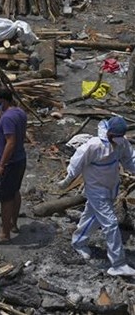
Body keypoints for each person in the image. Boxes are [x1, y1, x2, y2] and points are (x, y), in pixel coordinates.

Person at [57, 117, 135, 276]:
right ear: (109, 133)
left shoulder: (121, 143)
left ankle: (79, 242)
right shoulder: (93, 146)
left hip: (111, 187)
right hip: (96, 190)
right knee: (111, 223)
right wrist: (67, 180)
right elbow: (76, 163)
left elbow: (130, 160)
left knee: (93, 216)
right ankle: (118, 263)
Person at [0, 85, 27, 245]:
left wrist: (1, 165)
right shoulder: (19, 112)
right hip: (19, 159)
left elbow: (10, 142)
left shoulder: (8, 118)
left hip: (10, 163)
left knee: (5, 198)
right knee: (14, 191)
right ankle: (13, 224)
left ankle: (5, 234)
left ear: (3, 101)